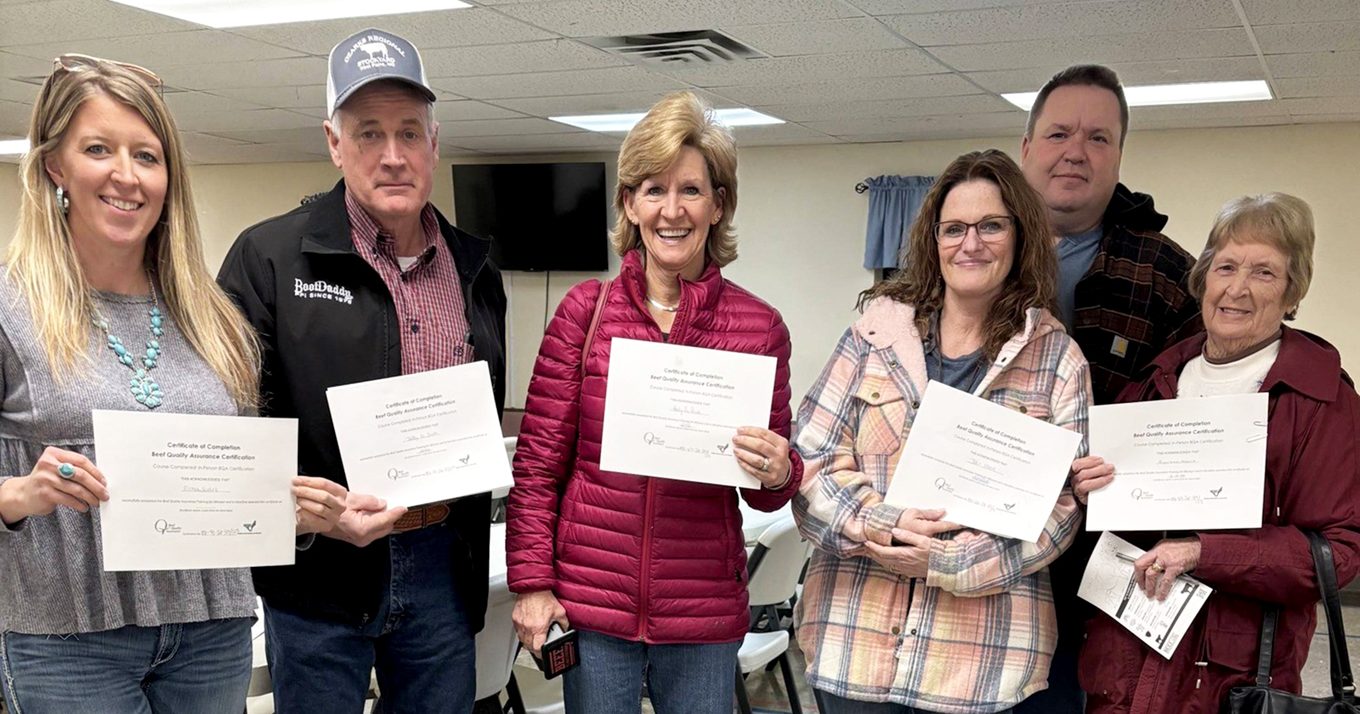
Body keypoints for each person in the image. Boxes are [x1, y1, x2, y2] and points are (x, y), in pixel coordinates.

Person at [0, 55, 344, 714]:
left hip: (212, 634)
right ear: (54, 166)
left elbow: (234, 475)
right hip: (69, 642)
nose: (126, 175)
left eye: (147, 156)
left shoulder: (212, 315)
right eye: (98, 149)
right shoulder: (9, 307)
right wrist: (19, 493)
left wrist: (288, 513)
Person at [217, 28, 507, 713]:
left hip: (443, 563)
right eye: (369, 133)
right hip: (319, 575)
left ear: (435, 143)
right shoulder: (269, 259)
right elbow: (230, 425)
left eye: (409, 133)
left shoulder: (475, 268)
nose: (393, 155)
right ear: (333, 142)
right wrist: (304, 515)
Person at [506, 90, 800, 714]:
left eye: (691, 190)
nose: (672, 210)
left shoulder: (759, 328)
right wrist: (532, 584)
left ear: (718, 205)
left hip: (702, 614)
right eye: (653, 189)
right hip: (593, 608)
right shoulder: (585, 313)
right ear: (629, 203)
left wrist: (781, 471)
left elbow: (766, 496)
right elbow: (535, 468)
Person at [794, 149, 1091, 714]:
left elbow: (1060, 511)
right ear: (933, 241)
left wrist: (945, 562)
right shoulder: (873, 337)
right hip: (854, 646)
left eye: (991, 226)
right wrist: (882, 525)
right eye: (953, 228)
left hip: (977, 667)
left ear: (1021, 236)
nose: (970, 243)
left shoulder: (1058, 360)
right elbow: (810, 461)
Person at [1072, 193, 1360, 713]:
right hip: (1125, 660)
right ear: (1203, 278)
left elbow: (1338, 553)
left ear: (1292, 293)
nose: (1237, 289)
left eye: (1264, 273)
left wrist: (1204, 553)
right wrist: (1089, 489)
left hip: (1229, 678)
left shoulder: (1321, 399)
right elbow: (1113, 519)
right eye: (1226, 267)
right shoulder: (1152, 383)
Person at [1016, 64, 1203, 712]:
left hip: (1103, 556)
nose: (1076, 151)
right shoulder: (974, 251)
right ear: (1027, 147)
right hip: (982, 540)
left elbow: (1201, 411)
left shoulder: (1167, 273)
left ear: (1119, 154)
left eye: (1098, 138)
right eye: (1059, 133)